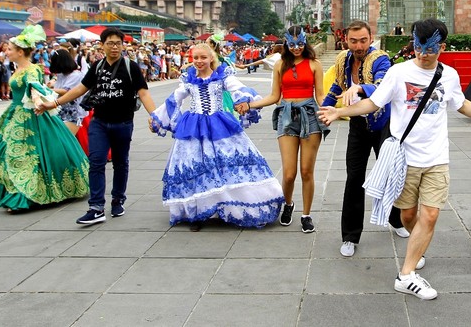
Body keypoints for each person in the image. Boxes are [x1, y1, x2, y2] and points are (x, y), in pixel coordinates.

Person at [318, 19, 471, 300]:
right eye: (419, 48)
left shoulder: (449, 75)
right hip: (405, 159)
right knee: (408, 215)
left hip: (437, 158)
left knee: (430, 215)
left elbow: (460, 104)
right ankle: (413, 248)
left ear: (442, 47)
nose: (423, 54)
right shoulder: (399, 73)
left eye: (431, 49)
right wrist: (338, 112)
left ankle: (406, 274)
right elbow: (374, 102)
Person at [151, 43, 283, 230]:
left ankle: (230, 206)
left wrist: (243, 100)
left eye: (203, 57)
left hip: (219, 124)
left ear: (211, 58)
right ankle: (197, 213)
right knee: (197, 168)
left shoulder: (221, 76)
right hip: (194, 127)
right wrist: (157, 117)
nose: (199, 61)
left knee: (225, 164)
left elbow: (237, 88)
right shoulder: (189, 79)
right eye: (195, 58)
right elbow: (175, 99)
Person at [37, 27, 158, 226]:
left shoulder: (131, 67)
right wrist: (54, 103)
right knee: (96, 161)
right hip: (99, 122)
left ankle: (118, 200)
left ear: (122, 45)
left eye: (118, 43)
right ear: (102, 45)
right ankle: (96, 207)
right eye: (110, 43)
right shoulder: (97, 66)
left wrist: (155, 116)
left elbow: (144, 93)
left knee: (120, 163)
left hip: (123, 123)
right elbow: (79, 89)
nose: (114, 47)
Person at [0, 24, 89, 211]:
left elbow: (35, 89)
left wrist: (38, 101)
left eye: (10, 49)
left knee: (30, 153)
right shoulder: (16, 68)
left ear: (20, 51)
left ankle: (26, 193)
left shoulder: (33, 69)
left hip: (32, 115)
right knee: (9, 149)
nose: (7, 51)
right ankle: (12, 187)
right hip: (15, 113)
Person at [322, 20, 408, 258]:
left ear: (371, 39)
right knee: (354, 178)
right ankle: (350, 236)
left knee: (391, 175)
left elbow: (381, 86)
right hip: (358, 125)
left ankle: (396, 220)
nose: (358, 45)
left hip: (383, 124)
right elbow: (336, 88)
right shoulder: (343, 60)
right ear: (345, 40)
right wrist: (323, 111)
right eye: (353, 41)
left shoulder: (380, 59)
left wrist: (359, 88)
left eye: (363, 40)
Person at [237, 26, 327, 233]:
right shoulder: (279, 65)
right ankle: (288, 204)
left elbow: (320, 95)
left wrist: (333, 108)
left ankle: (306, 214)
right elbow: (273, 96)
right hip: (286, 115)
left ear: (305, 43)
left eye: (301, 44)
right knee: (288, 173)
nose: (297, 48)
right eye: (292, 44)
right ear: (286, 43)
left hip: (310, 116)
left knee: (306, 171)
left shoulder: (315, 64)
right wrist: (250, 105)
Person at [47, 48, 87, 136]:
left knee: (66, 139)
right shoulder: (61, 75)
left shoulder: (76, 75)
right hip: (60, 109)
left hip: (73, 112)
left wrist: (47, 90)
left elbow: (66, 91)